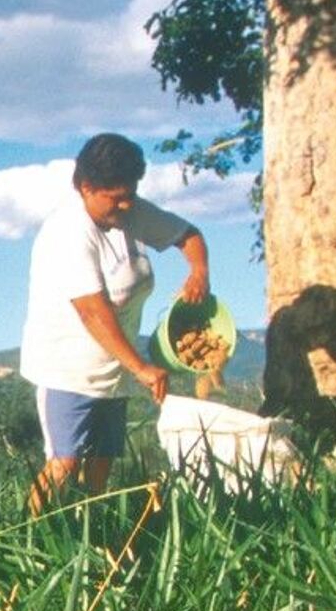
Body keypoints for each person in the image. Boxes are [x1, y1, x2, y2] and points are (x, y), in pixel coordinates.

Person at [18, 133, 210, 513]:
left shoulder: (129, 210)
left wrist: (199, 272)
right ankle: (29, 537)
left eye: (130, 194)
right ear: (86, 187)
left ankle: (93, 538)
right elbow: (93, 310)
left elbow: (188, 235)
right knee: (64, 464)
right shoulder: (68, 232)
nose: (125, 204)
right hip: (67, 370)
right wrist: (141, 367)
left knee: (100, 469)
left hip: (116, 368)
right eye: (115, 196)